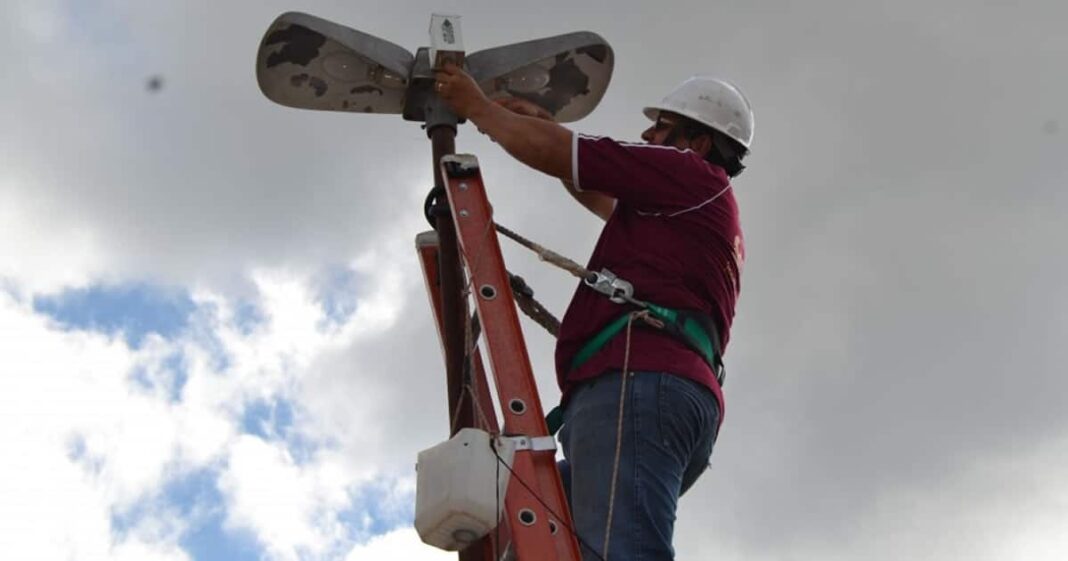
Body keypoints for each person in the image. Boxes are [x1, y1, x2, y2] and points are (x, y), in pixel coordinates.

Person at [435, 62, 753, 561]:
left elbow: (569, 156)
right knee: (530, 533)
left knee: (618, 550)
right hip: (662, 397)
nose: (648, 133)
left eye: (662, 127)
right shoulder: (695, 207)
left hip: (639, 387)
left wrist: (476, 106)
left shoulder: (688, 175)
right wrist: (536, 124)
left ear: (698, 143)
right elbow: (590, 182)